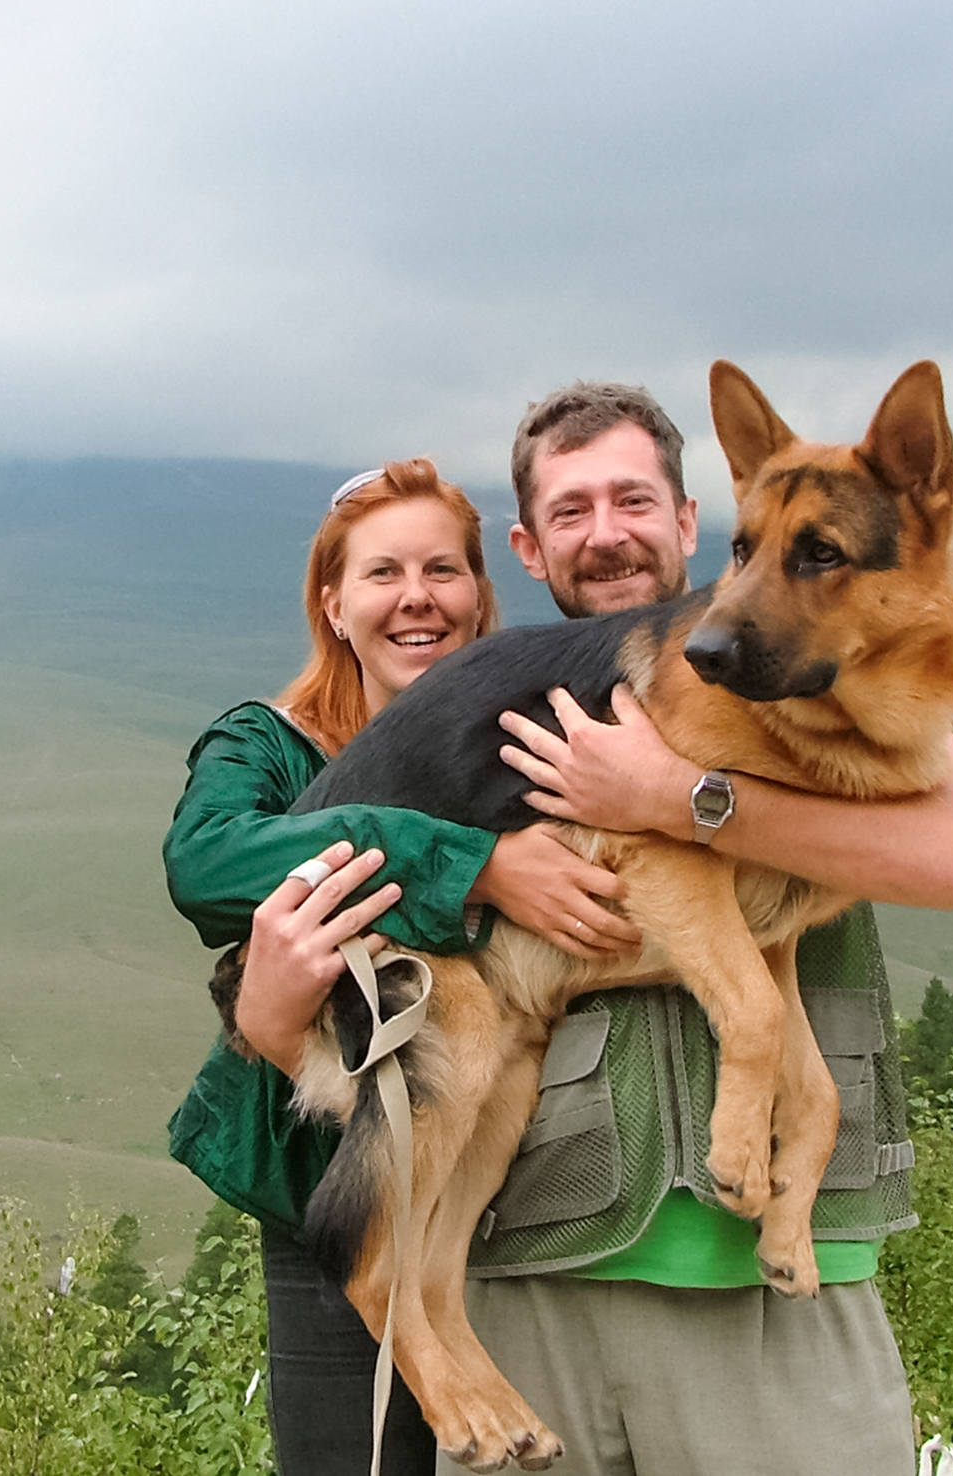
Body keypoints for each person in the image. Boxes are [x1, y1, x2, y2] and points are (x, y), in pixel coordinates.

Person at [449, 380, 953, 1476]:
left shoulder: (854, 688)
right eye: (570, 512)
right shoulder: (504, 704)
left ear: (684, 519)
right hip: (536, 1263)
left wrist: (679, 799)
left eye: (631, 500)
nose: (605, 534)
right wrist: (482, 861)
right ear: (527, 546)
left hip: (773, 1290)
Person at [164, 457, 631, 1476]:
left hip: (511, 1220)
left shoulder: (531, 731)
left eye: (441, 570)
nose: (416, 597)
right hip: (328, 1200)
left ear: (478, 594)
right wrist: (475, 864)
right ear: (331, 603)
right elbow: (205, 864)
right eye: (382, 574)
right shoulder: (267, 747)